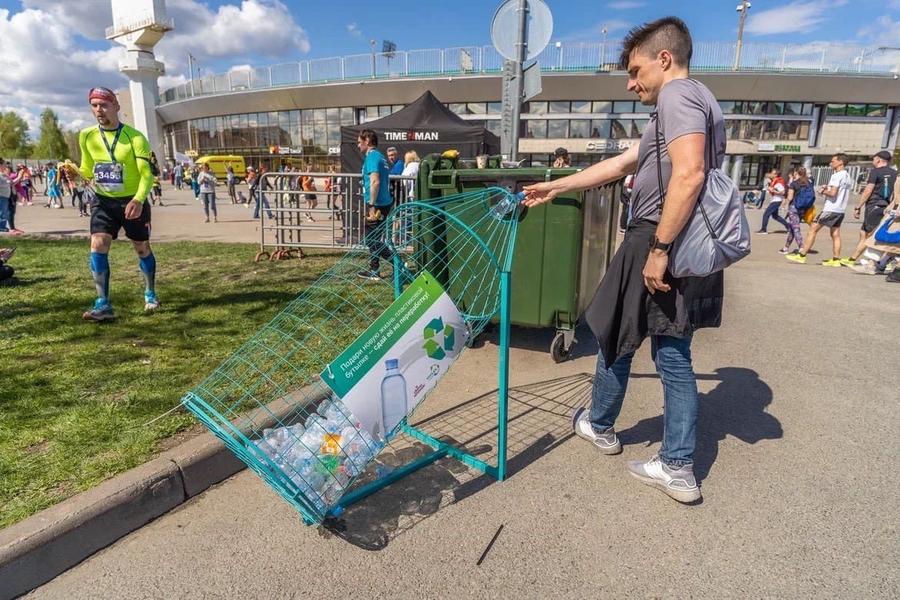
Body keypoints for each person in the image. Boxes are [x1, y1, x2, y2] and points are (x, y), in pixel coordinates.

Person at [524, 17, 724, 504]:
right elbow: (621, 163)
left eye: (636, 71)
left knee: (612, 333)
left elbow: (691, 174)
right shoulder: (698, 101)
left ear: (664, 59)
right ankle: (676, 465)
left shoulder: (678, 96)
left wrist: (657, 250)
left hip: (658, 238)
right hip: (689, 243)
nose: (632, 83)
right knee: (673, 354)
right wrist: (556, 185)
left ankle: (601, 425)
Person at [77, 86, 157, 321]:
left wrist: (139, 199)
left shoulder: (135, 137)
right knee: (98, 245)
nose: (99, 110)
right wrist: (75, 173)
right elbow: (87, 168)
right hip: (103, 202)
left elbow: (147, 174)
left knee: (141, 248)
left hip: (132, 202)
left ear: (116, 107)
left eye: (104, 105)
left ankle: (150, 293)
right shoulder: (87, 136)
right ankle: (103, 303)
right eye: (94, 105)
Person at [786, 154, 853, 266]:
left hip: (830, 209)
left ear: (840, 162)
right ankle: (836, 259)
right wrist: (828, 189)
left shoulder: (836, 176)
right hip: (840, 209)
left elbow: (833, 193)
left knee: (812, 229)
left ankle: (802, 255)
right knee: (835, 234)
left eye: (833, 161)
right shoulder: (847, 176)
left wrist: (823, 191)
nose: (830, 163)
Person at [843, 150, 896, 266]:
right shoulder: (894, 173)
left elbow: (868, 190)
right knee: (864, 232)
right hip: (886, 205)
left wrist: (858, 206)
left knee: (869, 234)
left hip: (874, 205)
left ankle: (854, 259)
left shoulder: (875, 172)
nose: (873, 161)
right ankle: (885, 260)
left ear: (878, 160)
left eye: (874, 158)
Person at [357, 129, 393, 280]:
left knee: (371, 239)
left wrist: (371, 204)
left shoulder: (372, 157)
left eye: (359, 142)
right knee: (375, 238)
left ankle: (398, 265)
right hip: (383, 203)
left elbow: (375, 181)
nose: (358, 146)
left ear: (367, 141)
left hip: (377, 204)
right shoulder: (380, 157)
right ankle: (374, 270)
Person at [780, 167, 814, 254]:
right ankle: (786, 247)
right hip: (803, 208)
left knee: (796, 228)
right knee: (793, 227)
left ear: (796, 173)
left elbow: (790, 197)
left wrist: (784, 203)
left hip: (794, 207)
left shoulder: (794, 183)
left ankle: (801, 247)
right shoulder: (808, 182)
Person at [757, 168, 790, 234]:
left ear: (776, 174)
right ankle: (789, 227)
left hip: (777, 200)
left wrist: (774, 191)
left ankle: (764, 229)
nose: (771, 174)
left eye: (772, 173)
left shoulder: (779, 182)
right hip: (774, 200)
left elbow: (783, 192)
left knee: (766, 214)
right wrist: (770, 186)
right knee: (775, 216)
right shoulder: (774, 181)